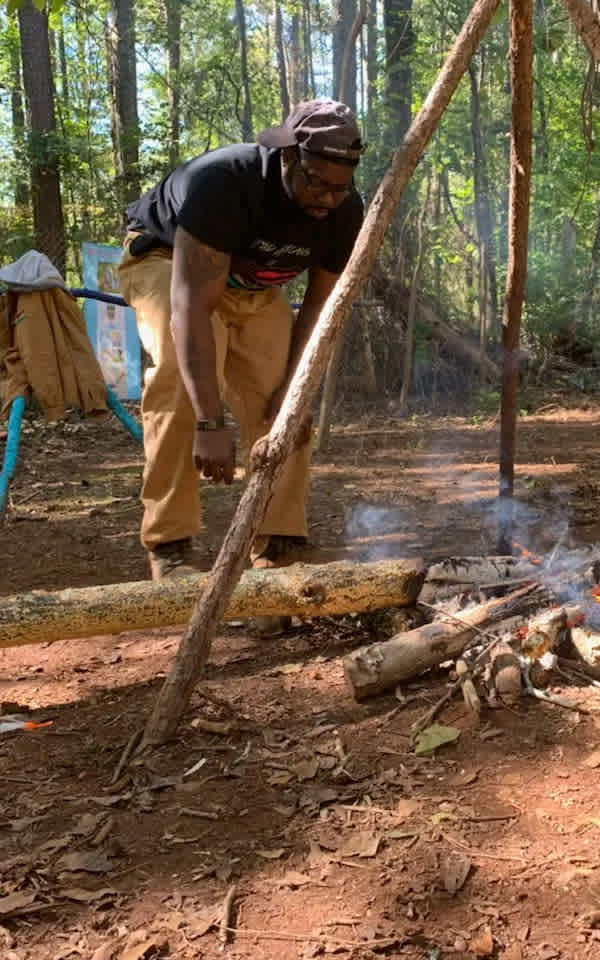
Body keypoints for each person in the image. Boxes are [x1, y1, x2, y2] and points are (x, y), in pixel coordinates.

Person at [118, 99, 365, 622]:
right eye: (316, 183)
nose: (326, 199)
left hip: (252, 289)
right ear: (287, 159)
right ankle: (171, 546)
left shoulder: (345, 209)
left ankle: (277, 544)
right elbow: (189, 305)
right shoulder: (223, 183)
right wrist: (210, 421)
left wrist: (295, 392)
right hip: (169, 266)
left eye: (339, 188)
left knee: (286, 405)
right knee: (178, 381)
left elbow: (321, 306)